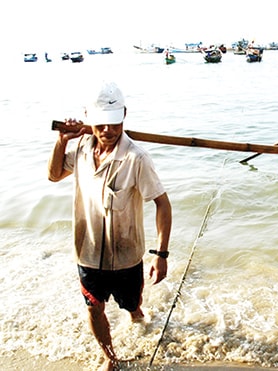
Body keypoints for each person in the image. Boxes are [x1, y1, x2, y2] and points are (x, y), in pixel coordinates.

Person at [47, 81, 172, 371]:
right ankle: (109, 357)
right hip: (87, 254)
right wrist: (62, 140)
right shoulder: (79, 149)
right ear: (89, 118)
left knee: (131, 305)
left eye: (114, 124)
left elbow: (163, 204)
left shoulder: (136, 158)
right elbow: (53, 176)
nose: (108, 131)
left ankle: (136, 315)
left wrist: (161, 254)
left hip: (127, 256)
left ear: (124, 116)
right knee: (94, 307)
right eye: (101, 124)